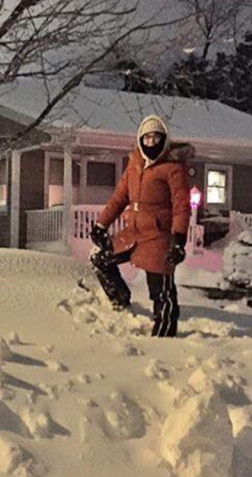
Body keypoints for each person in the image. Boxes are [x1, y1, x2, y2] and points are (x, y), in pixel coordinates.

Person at [89, 114, 193, 337]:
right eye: (147, 139)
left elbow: (181, 206)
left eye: (156, 138)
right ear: (140, 140)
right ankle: (120, 302)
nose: (151, 143)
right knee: (100, 258)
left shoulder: (173, 168)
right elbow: (119, 197)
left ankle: (164, 333)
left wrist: (178, 239)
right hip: (133, 233)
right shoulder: (135, 164)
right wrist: (101, 224)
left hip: (158, 236)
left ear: (163, 139)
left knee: (160, 289)